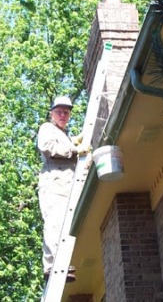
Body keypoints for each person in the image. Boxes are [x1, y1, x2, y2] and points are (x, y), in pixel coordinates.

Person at [36, 96, 90, 283]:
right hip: (53, 184)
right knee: (54, 223)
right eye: (59, 111)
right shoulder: (47, 128)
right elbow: (47, 147)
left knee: (63, 224)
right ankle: (53, 265)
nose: (62, 115)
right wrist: (75, 150)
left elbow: (63, 143)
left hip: (64, 186)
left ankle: (58, 263)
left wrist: (74, 141)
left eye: (66, 112)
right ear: (52, 114)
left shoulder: (64, 135)